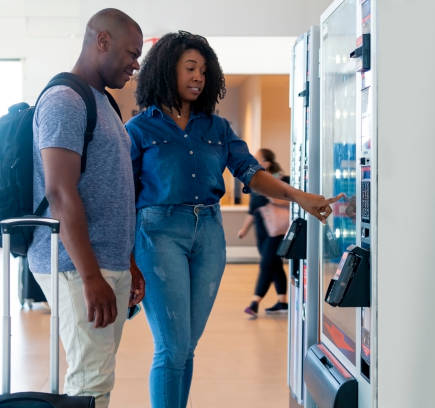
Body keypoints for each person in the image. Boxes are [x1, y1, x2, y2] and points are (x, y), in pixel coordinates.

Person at [125, 31, 343, 408]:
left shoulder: (217, 128)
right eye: (190, 68)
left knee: (187, 346)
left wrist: (297, 196)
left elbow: (249, 171)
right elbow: (124, 196)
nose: (198, 77)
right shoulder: (140, 129)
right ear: (165, 70)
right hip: (158, 233)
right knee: (172, 347)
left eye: (204, 71)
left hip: (208, 235)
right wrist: (125, 258)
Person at [26, 9, 145, 408]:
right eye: (131, 53)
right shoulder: (65, 100)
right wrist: (91, 276)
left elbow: (113, 188)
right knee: (91, 380)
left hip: (103, 263)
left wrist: (127, 261)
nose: (135, 64)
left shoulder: (104, 103)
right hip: (74, 265)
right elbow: (60, 193)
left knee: (96, 371)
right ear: (102, 41)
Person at [237, 148, 290, 317]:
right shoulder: (256, 182)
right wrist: (244, 229)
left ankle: (255, 302)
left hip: (277, 229)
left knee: (266, 264)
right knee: (274, 265)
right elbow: (253, 210)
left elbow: (290, 202)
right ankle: (282, 302)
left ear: (266, 163)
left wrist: (269, 193)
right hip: (262, 229)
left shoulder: (281, 180)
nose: (254, 160)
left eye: (257, 158)